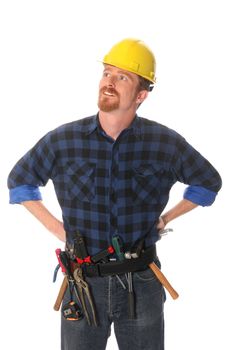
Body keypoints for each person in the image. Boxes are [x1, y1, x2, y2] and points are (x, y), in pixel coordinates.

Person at [7, 38, 222, 350]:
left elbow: (207, 183)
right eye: (107, 73)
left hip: (142, 282)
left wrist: (167, 218)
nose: (109, 82)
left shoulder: (164, 143)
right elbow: (20, 182)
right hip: (82, 283)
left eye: (123, 77)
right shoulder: (63, 141)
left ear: (141, 95)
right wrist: (57, 229)